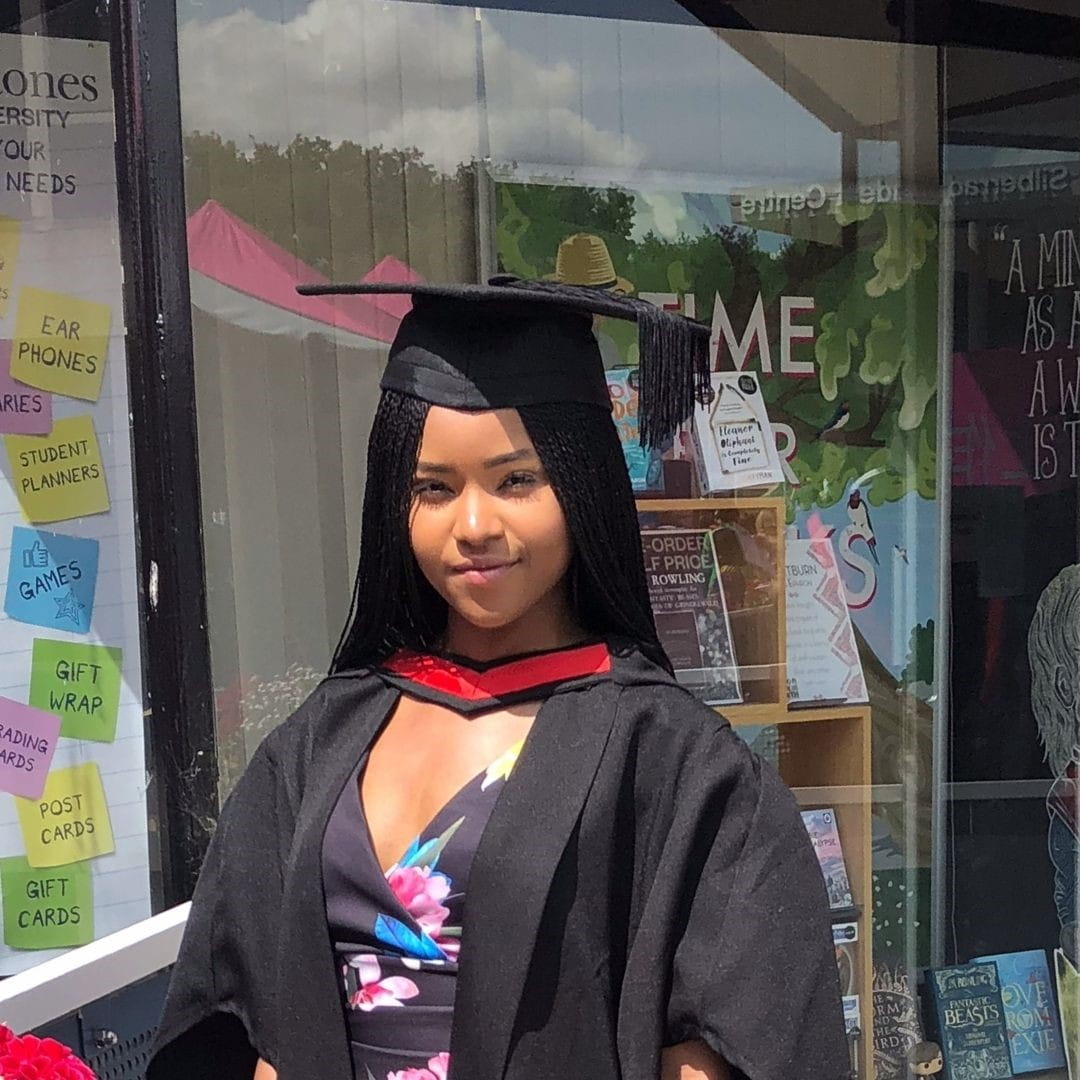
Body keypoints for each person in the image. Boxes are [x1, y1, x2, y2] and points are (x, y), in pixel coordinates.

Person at [147, 277, 848, 1080]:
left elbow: (721, 1050)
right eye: (433, 489)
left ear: (582, 485)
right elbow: (253, 1024)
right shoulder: (320, 741)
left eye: (518, 481)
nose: (474, 527)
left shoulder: (674, 764)